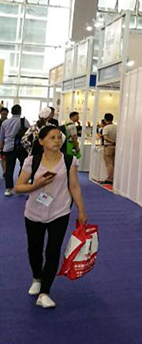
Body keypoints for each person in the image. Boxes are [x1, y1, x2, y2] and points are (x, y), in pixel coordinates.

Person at [14, 124, 88, 309]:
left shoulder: (69, 161)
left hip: (59, 211)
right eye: (52, 138)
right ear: (41, 141)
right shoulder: (32, 161)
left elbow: (74, 187)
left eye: (59, 137)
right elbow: (19, 187)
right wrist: (36, 185)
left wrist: (81, 210)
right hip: (33, 212)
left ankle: (44, 292)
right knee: (34, 249)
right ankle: (37, 278)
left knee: (53, 251)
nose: (57, 141)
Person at [1, 104, 30, 196]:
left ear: (11, 112)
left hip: (8, 148)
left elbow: (1, 137)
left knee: (9, 168)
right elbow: (29, 134)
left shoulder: (5, 123)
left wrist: (1, 149)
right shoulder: (24, 121)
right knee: (24, 166)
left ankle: (8, 189)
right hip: (21, 148)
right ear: (20, 112)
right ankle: (20, 183)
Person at [101, 112, 117, 185]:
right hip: (115, 147)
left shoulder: (106, 128)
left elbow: (105, 137)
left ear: (105, 119)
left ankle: (110, 178)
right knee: (114, 163)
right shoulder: (116, 127)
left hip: (108, 146)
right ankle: (114, 178)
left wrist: (112, 141)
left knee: (109, 163)